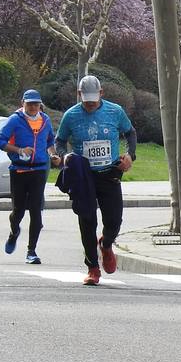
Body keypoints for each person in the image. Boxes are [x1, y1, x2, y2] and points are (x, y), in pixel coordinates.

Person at [55, 74, 136, 285]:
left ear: (101, 94)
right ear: (79, 94)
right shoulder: (71, 116)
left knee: (114, 220)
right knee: (87, 221)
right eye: (86, 99)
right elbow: (60, 141)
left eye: (94, 99)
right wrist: (64, 157)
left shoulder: (115, 111)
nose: (90, 104)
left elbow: (130, 133)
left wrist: (130, 156)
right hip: (84, 176)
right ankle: (92, 267)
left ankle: (106, 243)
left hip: (110, 173)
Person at [0, 89, 61, 263]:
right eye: (29, 103)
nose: (33, 107)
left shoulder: (45, 120)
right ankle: (14, 231)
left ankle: (31, 251)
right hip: (19, 170)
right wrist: (18, 150)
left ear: (40, 105)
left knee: (36, 211)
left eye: (36, 104)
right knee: (18, 211)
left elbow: (49, 142)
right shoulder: (15, 120)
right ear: (22, 103)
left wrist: (53, 155)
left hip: (39, 170)